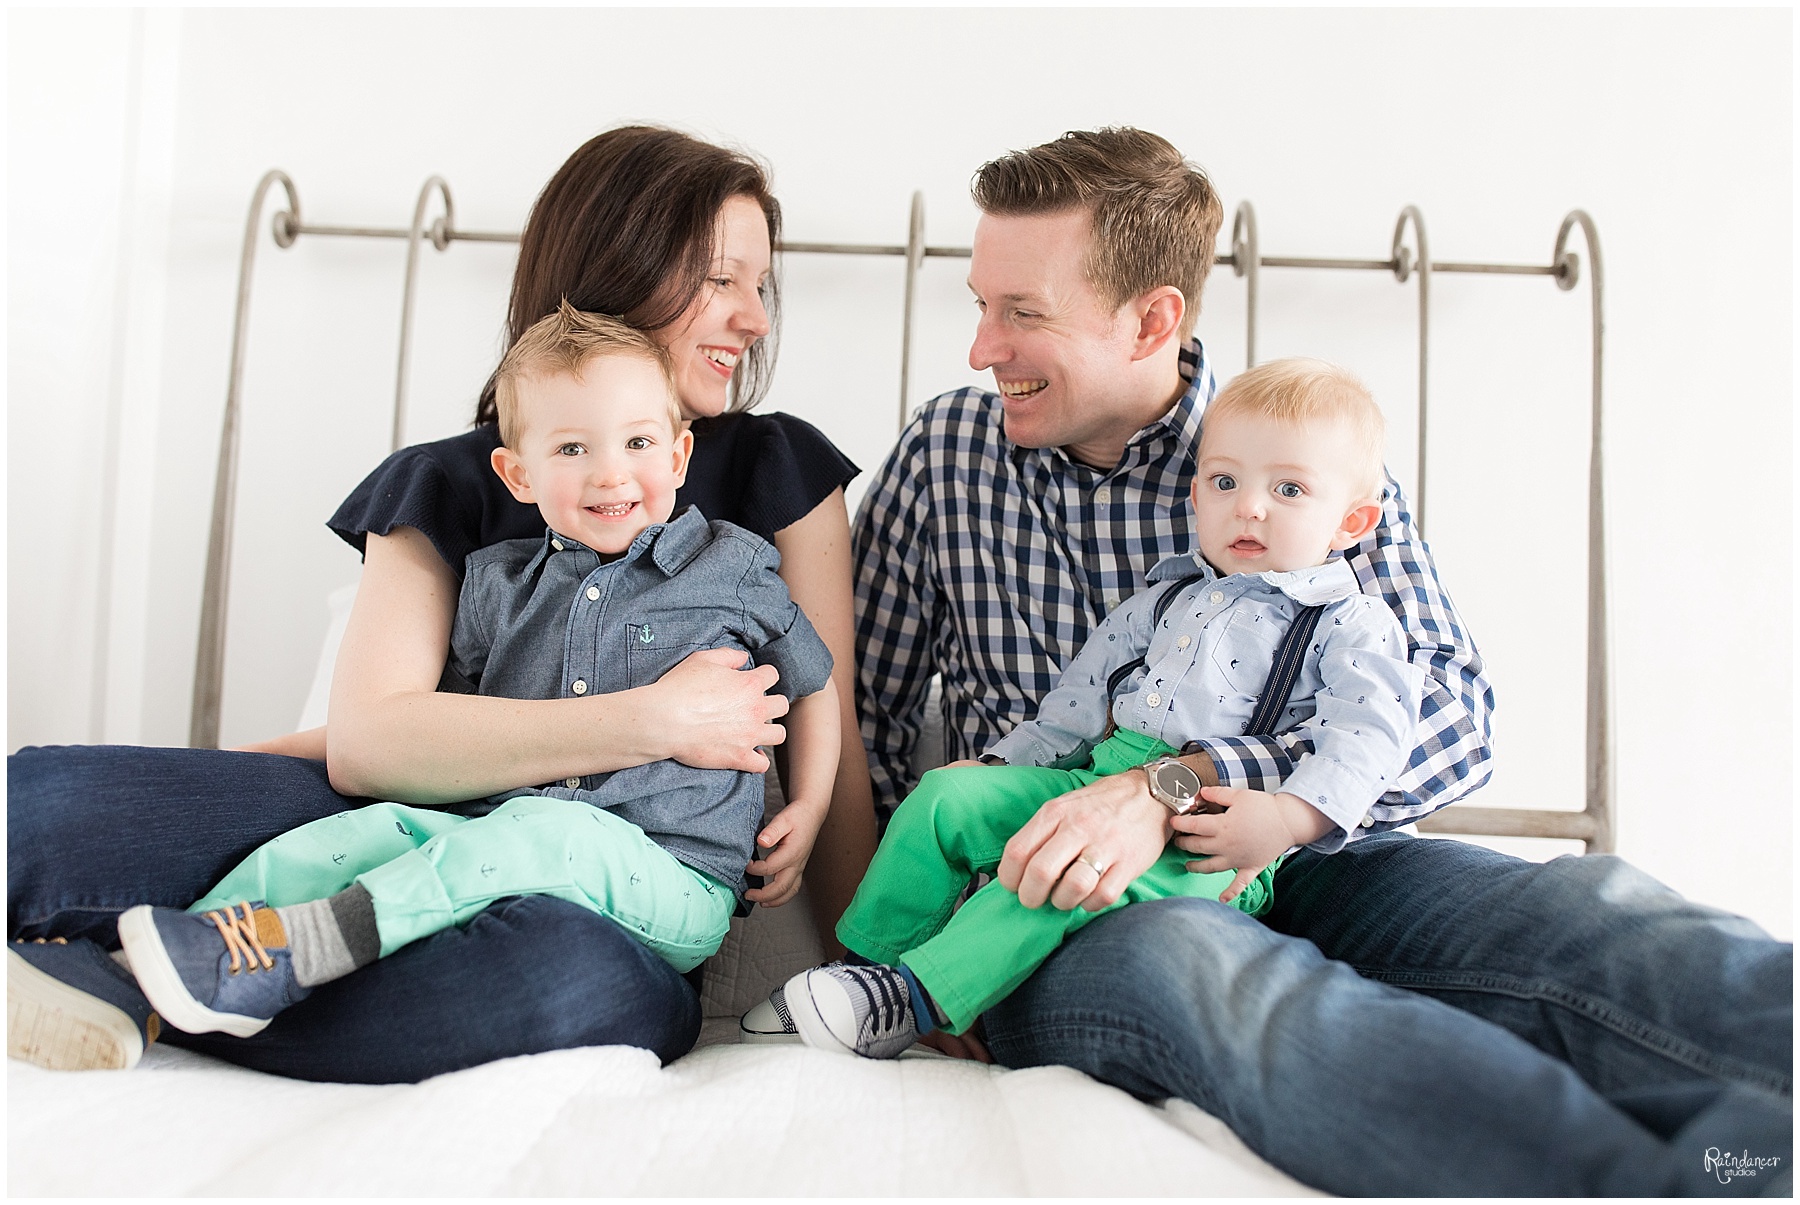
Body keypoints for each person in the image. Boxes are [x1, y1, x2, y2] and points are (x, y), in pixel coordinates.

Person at [833, 127, 1788, 1194]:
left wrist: (1197, 786)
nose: (981, 347)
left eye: (1022, 314)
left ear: (1153, 318)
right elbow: (854, 736)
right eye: (979, 304)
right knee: (1208, 972)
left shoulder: (1298, 454)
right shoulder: (947, 451)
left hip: (1317, 856)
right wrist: (894, 966)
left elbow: (1454, 712)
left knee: (1589, 919)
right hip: (1050, 899)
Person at [8, 126, 878, 1083]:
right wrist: (649, 720)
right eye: (721, 279)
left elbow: (822, 721)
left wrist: (887, 977)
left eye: (762, 284)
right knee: (42, 804)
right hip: (414, 817)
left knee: (556, 982)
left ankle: (153, 989)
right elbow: (376, 745)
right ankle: (208, 967)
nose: (753, 318)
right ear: (621, 261)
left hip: (615, 899)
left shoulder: (779, 472)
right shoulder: (450, 482)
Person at [117, 306, 839, 1039]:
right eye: (572, 449)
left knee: (545, 828)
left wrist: (808, 807)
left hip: (674, 878)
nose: (611, 471)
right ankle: (191, 955)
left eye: (638, 442)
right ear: (517, 474)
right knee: (374, 831)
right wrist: (275, 750)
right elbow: (439, 729)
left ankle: (314, 946)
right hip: (508, 850)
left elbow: (815, 682)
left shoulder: (731, 566)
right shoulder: (499, 591)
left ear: (679, 457)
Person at [776, 358, 1424, 1058]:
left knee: (1068, 869)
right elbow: (1074, 709)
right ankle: (861, 967)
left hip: (1215, 829)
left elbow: (1368, 740)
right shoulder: (1167, 598)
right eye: (1224, 481)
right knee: (945, 796)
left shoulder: (1351, 623)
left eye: (1288, 488)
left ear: (1352, 521)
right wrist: (998, 766)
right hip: (1100, 774)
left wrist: (1287, 818)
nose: (1249, 506)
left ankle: (914, 998)